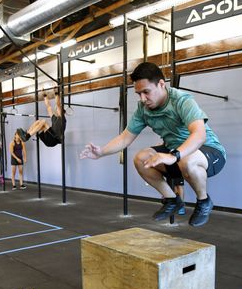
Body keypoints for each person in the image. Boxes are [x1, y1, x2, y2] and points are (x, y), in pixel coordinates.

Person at [80, 62, 226, 227]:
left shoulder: (181, 100)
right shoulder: (143, 109)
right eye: (139, 93)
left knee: (188, 159)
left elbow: (199, 135)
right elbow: (125, 138)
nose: (143, 98)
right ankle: (172, 200)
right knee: (141, 159)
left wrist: (173, 155)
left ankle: (204, 202)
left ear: (161, 84)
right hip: (175, 154)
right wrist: (101, 152)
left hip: (208, 152)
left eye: (146, 92)